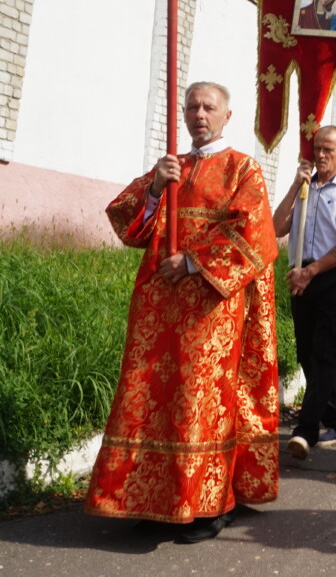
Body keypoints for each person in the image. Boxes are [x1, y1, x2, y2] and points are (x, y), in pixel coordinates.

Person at [84, 82, 279, 544]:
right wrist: (155, 186)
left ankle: (209, 507)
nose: (198, 114)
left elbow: (255, 235)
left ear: (227, 115)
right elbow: (128, 225)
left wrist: (193, 262)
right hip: (158, 308)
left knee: (198, 403)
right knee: (150, 396)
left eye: (209, 107)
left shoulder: (242, 169)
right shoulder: (172, 167)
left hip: (210, 310)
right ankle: (152, 500)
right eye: (191, 106)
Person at [272, 125, 336, 460]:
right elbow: (276, 227)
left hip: (334, 276)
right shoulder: (305, 188)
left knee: (326, 355)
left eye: (329, 149)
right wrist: (294, 184)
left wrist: (312, 272)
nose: (322, 155)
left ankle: (306, 430)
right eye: (317, 149)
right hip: (300, 274)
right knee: (306, 354)